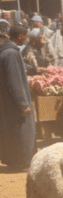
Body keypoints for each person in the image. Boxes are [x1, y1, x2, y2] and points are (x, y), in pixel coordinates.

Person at [0, 24, 37, 170]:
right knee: (22, 132)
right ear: (21, 37)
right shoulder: (11, 53)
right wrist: (24, 104)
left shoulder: (7, 52)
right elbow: (14, 80)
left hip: (7, 102)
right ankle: (23, 162)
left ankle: (14, 161)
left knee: (11, 132)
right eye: (26, 35)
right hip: (15, 103)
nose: (26, 38)